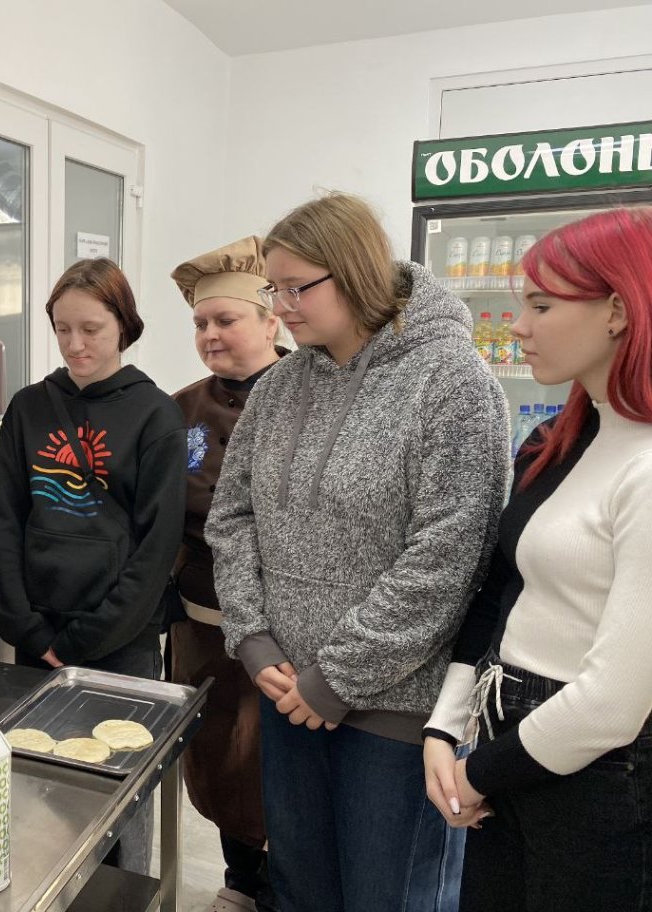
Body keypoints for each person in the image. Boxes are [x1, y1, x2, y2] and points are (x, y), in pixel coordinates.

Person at [205, 192, 511, 912]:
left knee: (388, 897)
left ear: (355, 272)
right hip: (286, 692)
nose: (281, 308)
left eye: (297, 288)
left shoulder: (453, 382)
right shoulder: (280, 387)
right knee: (300, 891)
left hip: (394, 716)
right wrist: (251, 637)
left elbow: (450, 555)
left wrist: (339, 677)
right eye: (273, 289)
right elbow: (233, 515)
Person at [423, 207, 652, 911]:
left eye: (542, 306)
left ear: (618, 311)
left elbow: (614, 703)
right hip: (509, 745)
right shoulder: (555, 441)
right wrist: (445, 729)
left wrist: (478, 773)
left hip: (597, 774)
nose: (518, 326)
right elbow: (501, 589)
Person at [0, 257, 186, 875]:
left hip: (120, 641)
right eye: (62, 329)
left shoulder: (155, 415)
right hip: (38, 634)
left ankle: (123, 894)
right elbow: (7, 520)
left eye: (91, 329)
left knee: (118, 792)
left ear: (123, 325)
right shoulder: (28, 408)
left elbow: (157, 548)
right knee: (42, 786)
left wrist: (84, 639)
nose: (74, 344)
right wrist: (27, 627)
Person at [169, 236, 290, 912]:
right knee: (217, 759)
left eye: (226, 319)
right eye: (200, 323)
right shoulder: (181, 409)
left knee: (277, 767)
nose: (210, 334)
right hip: (204, 631)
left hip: (286, 636)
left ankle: (288, 890)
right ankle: (241, 881)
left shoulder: (311, 397)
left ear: (271, 322)